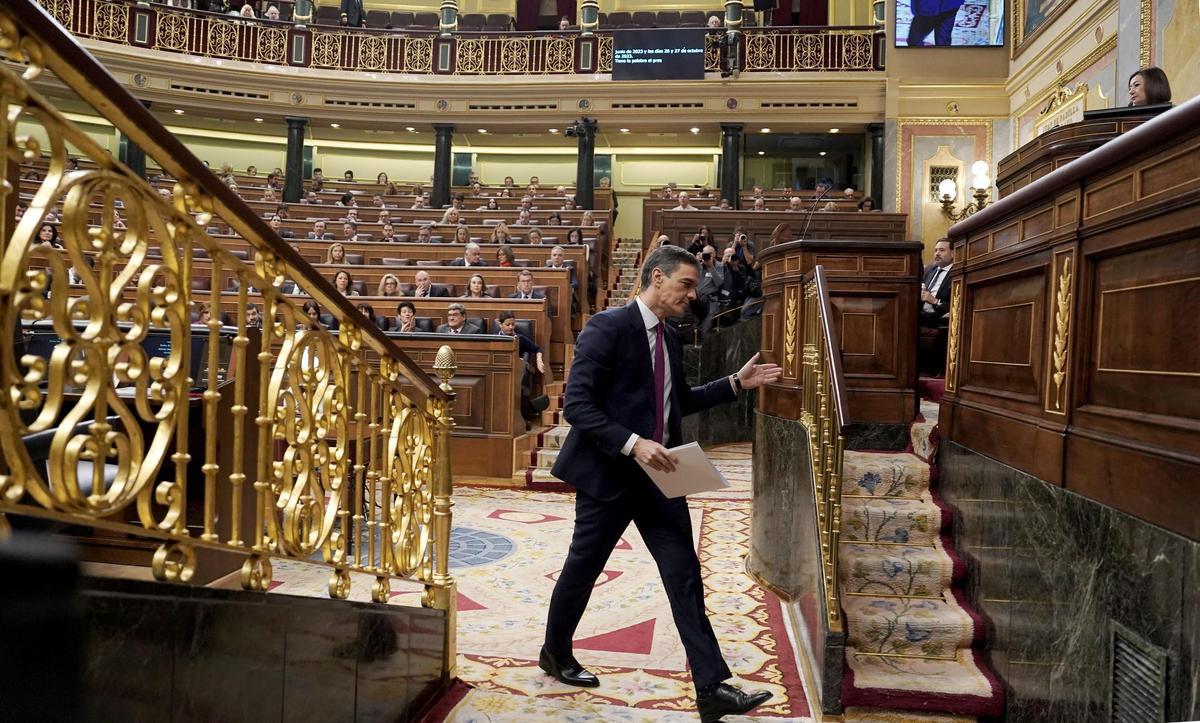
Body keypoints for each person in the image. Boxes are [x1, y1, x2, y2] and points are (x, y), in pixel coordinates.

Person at [541, 244, 781, 721]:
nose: (692, 295)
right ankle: (555, 652)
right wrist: (632, 442)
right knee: (583, 570)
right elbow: (578, 407)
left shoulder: (671, 337)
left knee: (684, 576)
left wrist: (735, 383)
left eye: (694, 287)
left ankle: (712, 685)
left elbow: (677, 401)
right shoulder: (606, 327)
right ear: (656, 278)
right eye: (686, 285)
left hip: (660, 479)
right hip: (608, 476)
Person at [497, 309, 550, 425]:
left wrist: (539, 360)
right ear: (500, 324)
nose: (511, 327)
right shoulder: (493, 338)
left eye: (513, 324)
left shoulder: (519, 338)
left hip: (516, 373)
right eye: (507, 324)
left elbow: (537, 349)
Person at [920, 238, 954, 326]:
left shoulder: (956, 273)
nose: (937, 253)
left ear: (953, 253)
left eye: (942, 250)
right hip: (921, 310)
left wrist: (935, 301)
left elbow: (956, 303)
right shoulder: (929, 270)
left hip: (940, 315)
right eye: (935, 250)